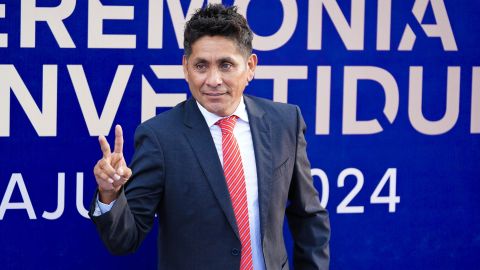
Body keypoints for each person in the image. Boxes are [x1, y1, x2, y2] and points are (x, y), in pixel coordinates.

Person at [89, 4, 330, 270]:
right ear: (185, 67)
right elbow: (124, 240)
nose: (213, 80)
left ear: (250, 66)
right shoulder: (159, 137)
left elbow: (309, 217)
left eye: (226, 65)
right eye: (201, 66)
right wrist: (110, 194)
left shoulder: (285, 122)